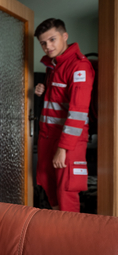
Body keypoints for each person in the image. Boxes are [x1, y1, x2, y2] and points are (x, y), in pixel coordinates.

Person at [34, 18, 94, 212]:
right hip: (48, 137)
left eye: (52, 40)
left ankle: (71, 239)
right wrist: (43, 89)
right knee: (48, 184)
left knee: (67, 190)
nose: (47, 46)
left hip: (68, 141)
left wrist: (63, 148)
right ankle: (58, 231)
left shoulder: (79, 66)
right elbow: (59, 99)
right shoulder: (54, 66)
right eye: (43, 43)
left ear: (65, 36)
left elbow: (78, 112)